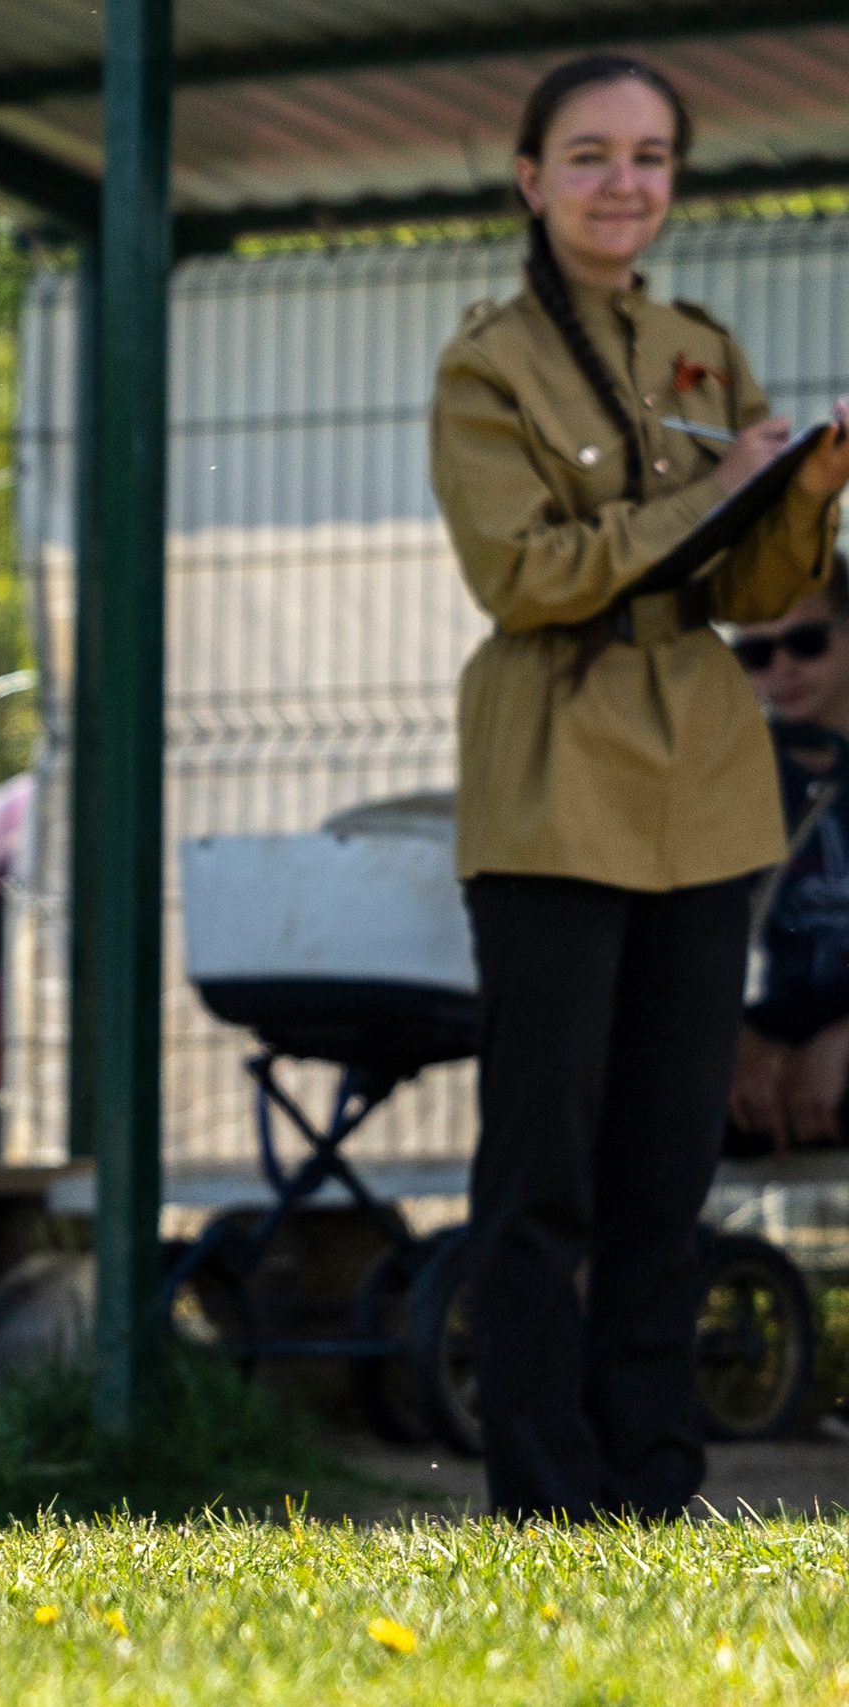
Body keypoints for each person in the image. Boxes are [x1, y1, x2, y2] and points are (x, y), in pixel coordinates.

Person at [430, 53, 849, 1521]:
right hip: (554, 769)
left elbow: (754, 584)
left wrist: (801, 493)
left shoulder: (698, 342)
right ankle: (545, 1488)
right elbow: (524, 571)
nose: (627, 183)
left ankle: (657, 1482)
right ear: (532, 179)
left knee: (668, 1164)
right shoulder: (487, 362)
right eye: (594, 155)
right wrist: (718, 489)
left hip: (705, 775)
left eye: (653, 157)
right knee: (543, 1163)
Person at [727, 559, 849, 1154]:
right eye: (757, 655)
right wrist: (734, 1040)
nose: (783, 670)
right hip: (785, 1025)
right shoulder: (733, 776)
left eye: (807, 643)